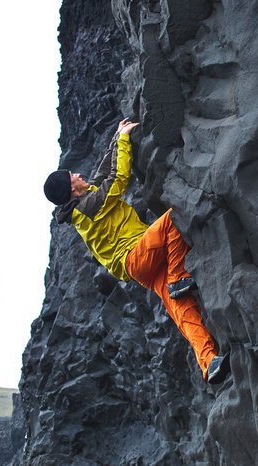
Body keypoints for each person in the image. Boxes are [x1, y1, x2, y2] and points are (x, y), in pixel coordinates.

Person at [44, 118, 230, 384]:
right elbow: (118, 179)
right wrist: (122, 142)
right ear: (71, 189)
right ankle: (178, 276)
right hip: (136, 256)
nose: (78, 174)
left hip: (141, 267)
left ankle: (209, 362)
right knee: (173, 217)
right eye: (72, 175)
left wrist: (117, 137)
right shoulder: (88, 208)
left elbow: (101, 173)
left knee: (182, 309)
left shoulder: (82, 202)